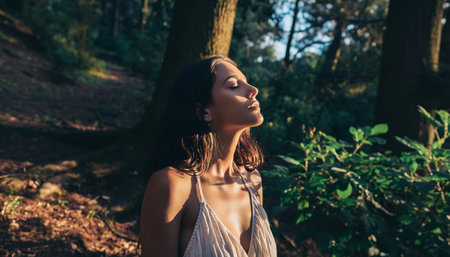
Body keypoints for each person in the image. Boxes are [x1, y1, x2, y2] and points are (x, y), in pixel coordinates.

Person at [139, 55, 277, 257]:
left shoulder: (252, 179)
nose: (252, 90)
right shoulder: (173, 185)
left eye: (246, 82)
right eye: (233, 86)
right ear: (204, 111)